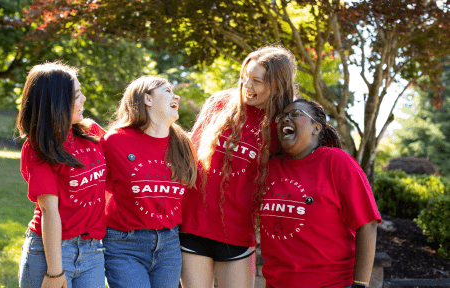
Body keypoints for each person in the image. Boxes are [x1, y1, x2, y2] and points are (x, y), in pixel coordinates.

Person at [180, 45, 295, 288]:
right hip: (193, 225)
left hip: (237, 235)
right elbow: (190, 156)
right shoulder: (219, 103)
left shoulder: (282, 124)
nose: (246, 86)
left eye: (256, 81)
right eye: (244, 78)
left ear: (278, 86)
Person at [259, 99, 382, 288]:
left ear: (316, 128)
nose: (285, 120)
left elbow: (367, 224)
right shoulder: (270, 167)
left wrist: (360, 285)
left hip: (332, 284)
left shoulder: (337, 162)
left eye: (295, 114)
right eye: (282, 117)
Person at [17, 61, 107, 288]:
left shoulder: (92, 133)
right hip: (52, 251)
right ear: (56, 103)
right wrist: (55, 272)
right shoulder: (39, 146)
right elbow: (49, 210)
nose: (84, 98)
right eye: (77, 95)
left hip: (92, 250)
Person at [101, 76, 197, 288]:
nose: (176, 96)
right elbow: (97, 187)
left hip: (169, 246)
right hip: (124, 246)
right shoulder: (115, 141)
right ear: (147, 99)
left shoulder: (182, 144)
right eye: (167, 91)